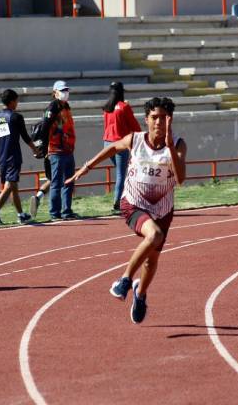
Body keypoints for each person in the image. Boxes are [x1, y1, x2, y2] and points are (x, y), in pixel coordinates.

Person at [67, 97, 186, 324]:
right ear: (146, 120)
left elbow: (180, 180)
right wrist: (86, 168)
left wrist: (170, 146)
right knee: (155, 235)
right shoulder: (136, 139)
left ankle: (140, 295)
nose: (159, 123)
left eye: (164, 118)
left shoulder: (178, 144)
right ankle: (124, 280)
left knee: (151, 261)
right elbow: (112, 147)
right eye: (154, 118)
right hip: (134, 202)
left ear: (170, 120)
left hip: (162, 209)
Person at [0, 89, 37, 224]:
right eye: (16, 100)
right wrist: (35, 149)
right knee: (10, 184)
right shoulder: (16, 117)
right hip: (13, 156)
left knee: (13, 186)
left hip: (2, 157)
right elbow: (26, 137)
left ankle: (21, 215)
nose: (17, 103)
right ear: (12, 101)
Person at [102, 81, 141, 213]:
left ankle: (125, 198)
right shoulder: (124, 107)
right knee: (121, 174)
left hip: (107, 143)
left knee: (121, 172)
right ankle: (117, 203)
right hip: (120, 143)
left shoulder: (107, 108)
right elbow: (134, 126)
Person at [47, 80, 77, 220]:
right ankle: (55, 212)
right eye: (62, 90)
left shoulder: (66, 106)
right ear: (55, 92)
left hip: (68, 149)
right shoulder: (53, 108)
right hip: (57, 150)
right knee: (57, 183)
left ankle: (66, 210)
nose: (65, 93)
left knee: (68, 181)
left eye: (66, 90)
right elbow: (47, 127)